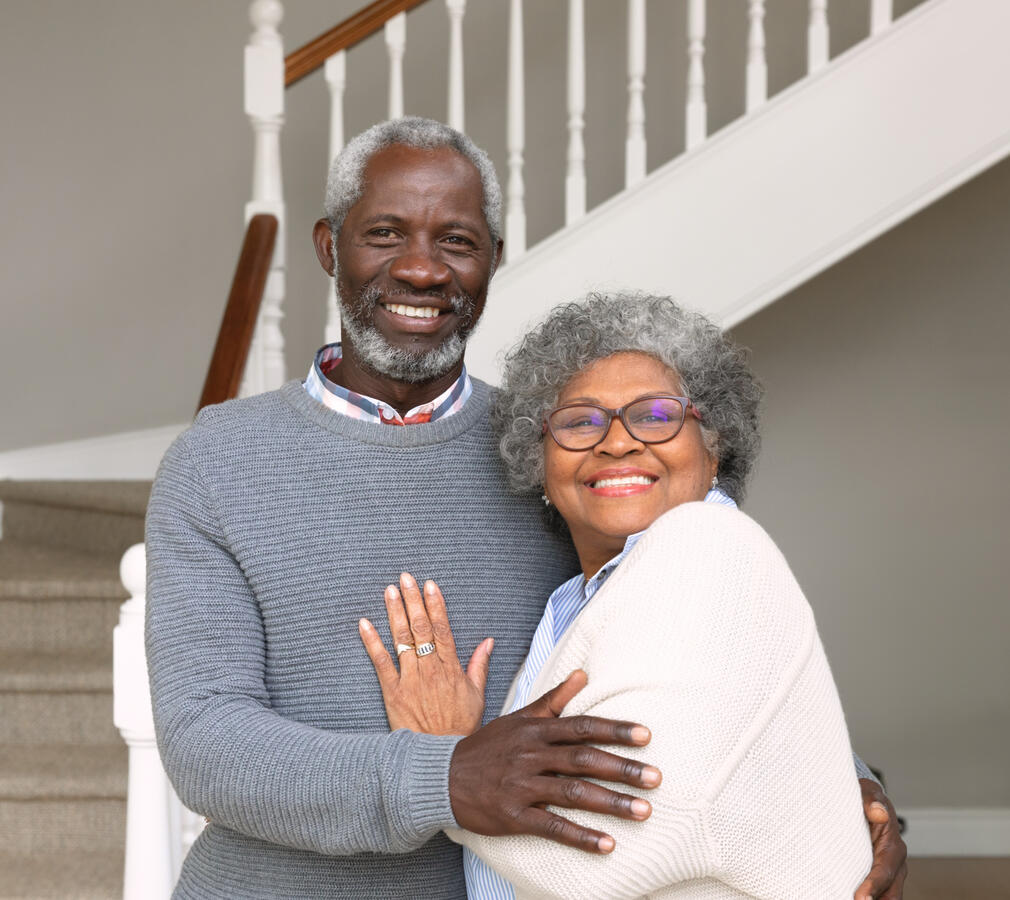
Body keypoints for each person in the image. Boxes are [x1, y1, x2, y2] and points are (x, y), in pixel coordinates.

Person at [145, 117, 906, 898]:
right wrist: (444, 777)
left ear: (492, 261)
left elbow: (716, 645)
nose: (421, 269)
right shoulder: (217, 462)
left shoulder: (560, 454)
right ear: (328, 247)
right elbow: (206, 742)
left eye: (457, 241)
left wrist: (847, 794)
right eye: (384, 234)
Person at [361, 292, 886, 898]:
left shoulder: (707, 547)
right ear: (542, 461)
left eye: (656, 415)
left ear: (713, 444)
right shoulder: (578, 600)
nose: (617, 442)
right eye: (580, 420)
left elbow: (601, 857)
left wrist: (443, 756)